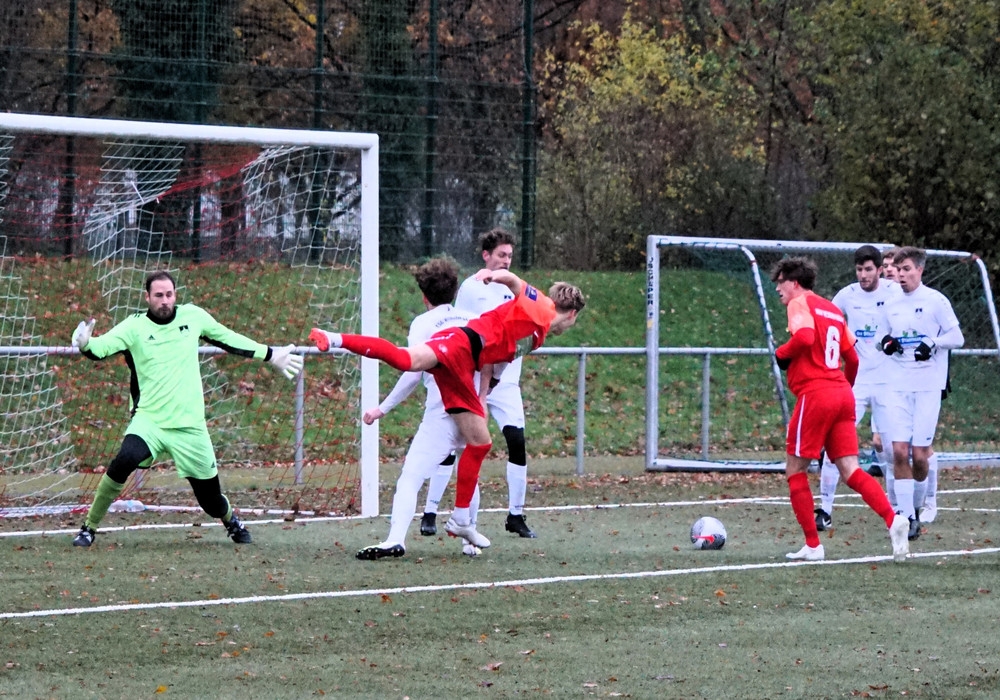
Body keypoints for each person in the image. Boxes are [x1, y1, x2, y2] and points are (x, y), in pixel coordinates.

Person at [310, 269, 585, 548]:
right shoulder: (543, 308)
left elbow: (499, 359)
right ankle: (460, 519)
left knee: (479, 442)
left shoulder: (537, 335)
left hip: (462, 361)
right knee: (409, 365)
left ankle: (461, 521)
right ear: (572, 314)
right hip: (462, 348)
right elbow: (514, 281)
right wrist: (493, 275)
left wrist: (484, 394)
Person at [69, 270, 303, 547]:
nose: (164, 300)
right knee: (124, 460)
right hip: (150, 422)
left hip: (190, 427)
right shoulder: (134, 326)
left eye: (169, 294)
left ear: (175, 295)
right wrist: (86, 344)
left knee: (211, 501)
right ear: (147, 297)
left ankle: (230, 519)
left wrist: (270, 353)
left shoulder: (193, 317)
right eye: (158, 295)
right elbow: (101, 347)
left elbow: (228, 338)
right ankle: (88, 528)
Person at [770, 257, 909, 563]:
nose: (777, 288)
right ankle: (893, 518)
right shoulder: (832, 309)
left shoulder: (799, 303)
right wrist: (841, 389)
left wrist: (781, 353)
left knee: (795, 469)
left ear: (794, 282)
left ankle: (813, 545)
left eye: (780, 282)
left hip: (816, 393)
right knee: (851, 470)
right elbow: (853, 359)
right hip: (842, 394)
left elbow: (805, 337)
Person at [356, 258, 484, 559]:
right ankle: (469, 540)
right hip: (473, 410)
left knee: (411, 476)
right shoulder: (473, 319)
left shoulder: (423, 324)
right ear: (454, 291)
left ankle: (395, 539)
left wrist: (382, 408)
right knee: (469, 472)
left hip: (443, 413)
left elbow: (413, 371)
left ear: (424, 296)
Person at [432, 228, 538, 538]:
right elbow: (466, 331)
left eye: (510, 255)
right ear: (486, 256)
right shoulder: (471, 287)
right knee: (463, 445)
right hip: (476, 377)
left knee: (516, 441)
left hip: (506, 380)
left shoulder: (514, 287)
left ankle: (516, 514)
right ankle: (442, 513)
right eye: (501, 255)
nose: (507, 260)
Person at [815, 245, 902, 531]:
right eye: (859, 270)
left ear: (879, 270)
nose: (863, 275)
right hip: (855, 383)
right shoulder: (846, 296)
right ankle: (825, 509)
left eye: (868, 270)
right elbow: (826, 323)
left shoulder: (894, 292)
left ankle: (896, 513)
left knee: (890, 450)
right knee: (834, 447)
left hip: (888, 382)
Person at [879, 246, 963, 539]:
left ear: (920, 270)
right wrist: (887, 342)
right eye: (898, 270)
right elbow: (880, 336)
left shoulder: (935, 300)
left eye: (906, 269)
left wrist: (934, 343)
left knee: (920, 455)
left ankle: (919, 504)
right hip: (897, 386)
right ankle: (908, 517)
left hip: (927, 387)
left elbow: (957, 337)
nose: (901, 275)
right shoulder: (891, 303)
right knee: (899, 452)